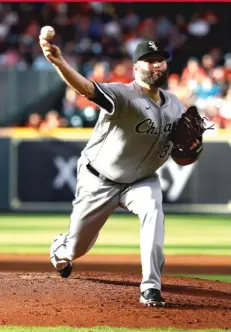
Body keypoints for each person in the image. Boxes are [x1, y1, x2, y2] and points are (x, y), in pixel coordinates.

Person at [39, 36, 202, 307]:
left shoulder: (176, 106)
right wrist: (59, 62)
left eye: (159, 60)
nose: (155, 66)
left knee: (153, 209)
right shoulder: (123, 95)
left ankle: (151, 287)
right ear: (135, 68)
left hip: (141, 181)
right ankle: (60, 249)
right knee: (77, 248)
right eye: (148, 61)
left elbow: (183, 153)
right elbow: (87, 89)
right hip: (99, 179)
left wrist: (193, 147)